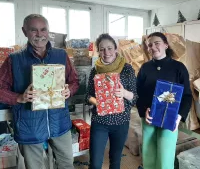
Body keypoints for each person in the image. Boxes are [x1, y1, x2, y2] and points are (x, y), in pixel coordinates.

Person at [0, 14, 79, 169]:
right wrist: (19, 98)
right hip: (30, 125)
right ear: (25, 31)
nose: (39, 34)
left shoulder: (61, 55)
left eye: (43, 30)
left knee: (67, 164)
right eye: (33, 30)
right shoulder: (14, 59)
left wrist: (69, 90)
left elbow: (74, 81)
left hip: (59, 122)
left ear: (48, 31)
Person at [136, 32, 192, 169]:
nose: (153, 47)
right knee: (149, 156)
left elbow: (187, 95)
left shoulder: (179, 68)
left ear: (166, 45)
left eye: (157, 43)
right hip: (149, 118)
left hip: (170, 120)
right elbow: (138, 94)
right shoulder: (145, 68)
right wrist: (144, 110)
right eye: (150, 45)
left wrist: (179, 117)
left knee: (165, 159)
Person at [86, 33, 137, 169]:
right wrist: (99, 102)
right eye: (102, 49)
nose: (106, 52)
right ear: (98, 51)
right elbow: (88, 96)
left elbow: (135, 97)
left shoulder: (127, 69)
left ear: (115, 49)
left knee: (115, 161)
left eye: (109, 48)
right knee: (95, 163)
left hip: (121, 122)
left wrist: (124, 93)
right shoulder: (95, 71)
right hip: (100, 122)